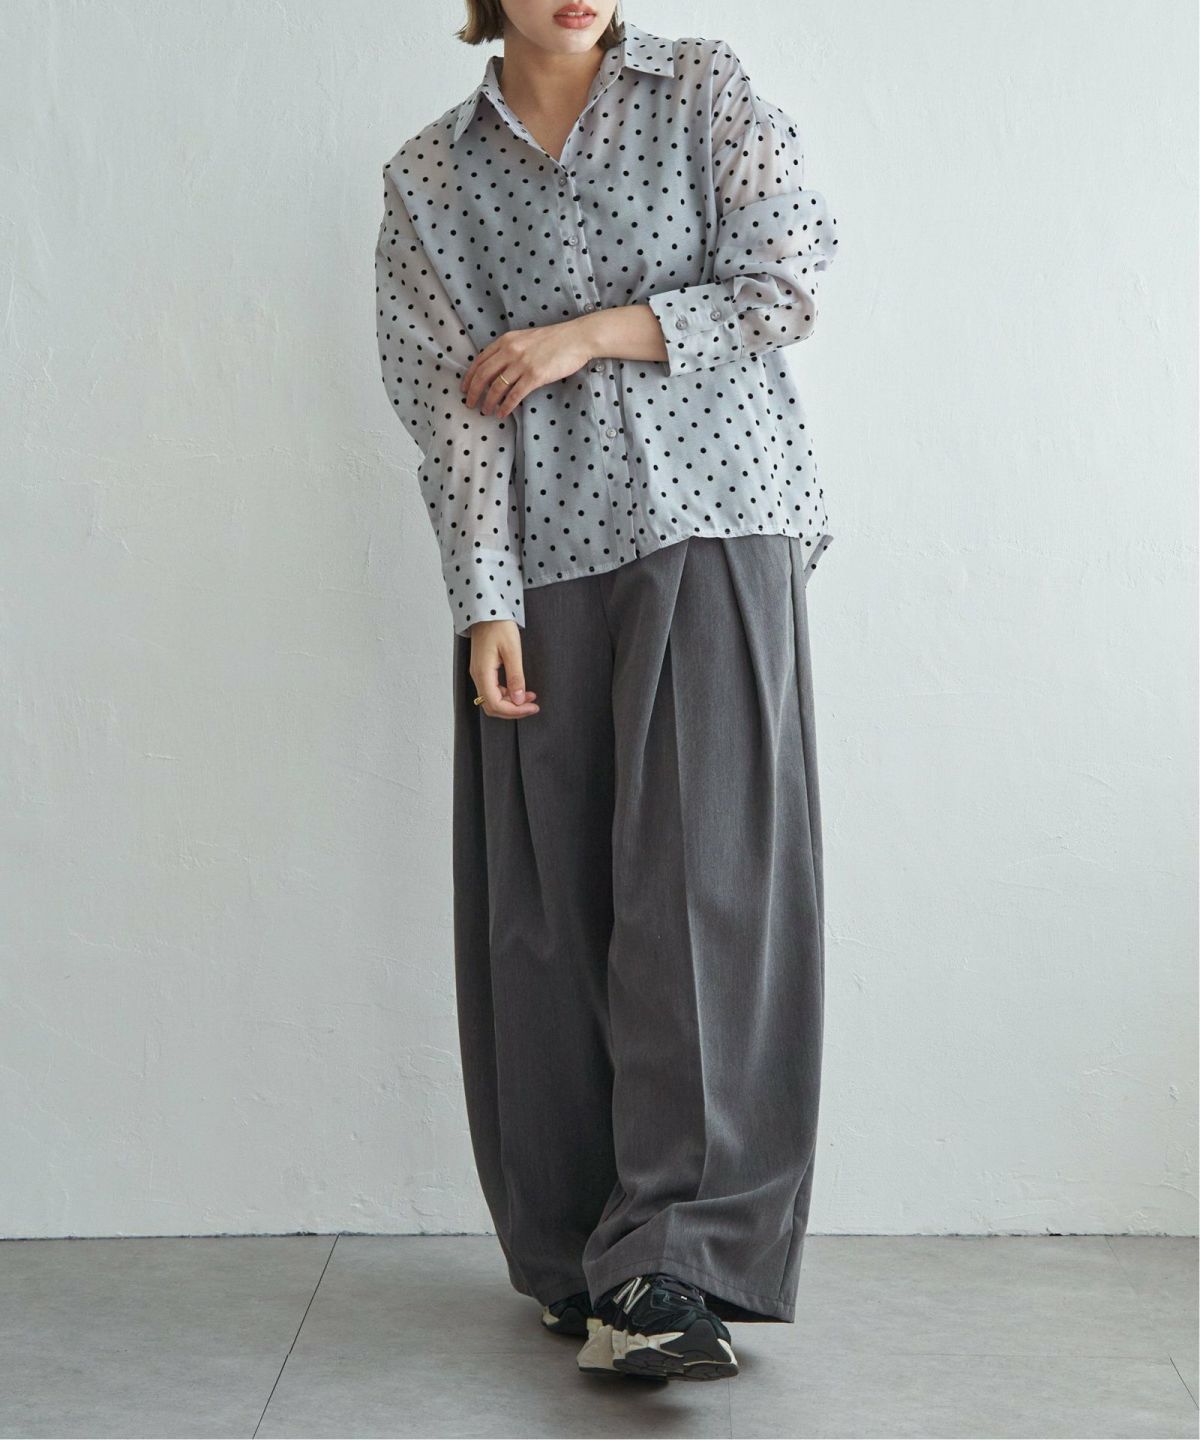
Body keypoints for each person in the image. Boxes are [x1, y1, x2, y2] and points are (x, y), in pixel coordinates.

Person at [375, 0, 840, 1382]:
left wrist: (588, 334)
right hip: (545, 554)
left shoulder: (700, 89)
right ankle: (582, 1257)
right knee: (547, 908)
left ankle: (675, 1265)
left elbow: (789, 273)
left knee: (708, 893)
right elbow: (448, 406)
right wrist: (485, 598)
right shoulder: (432, 175)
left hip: (719, 518)